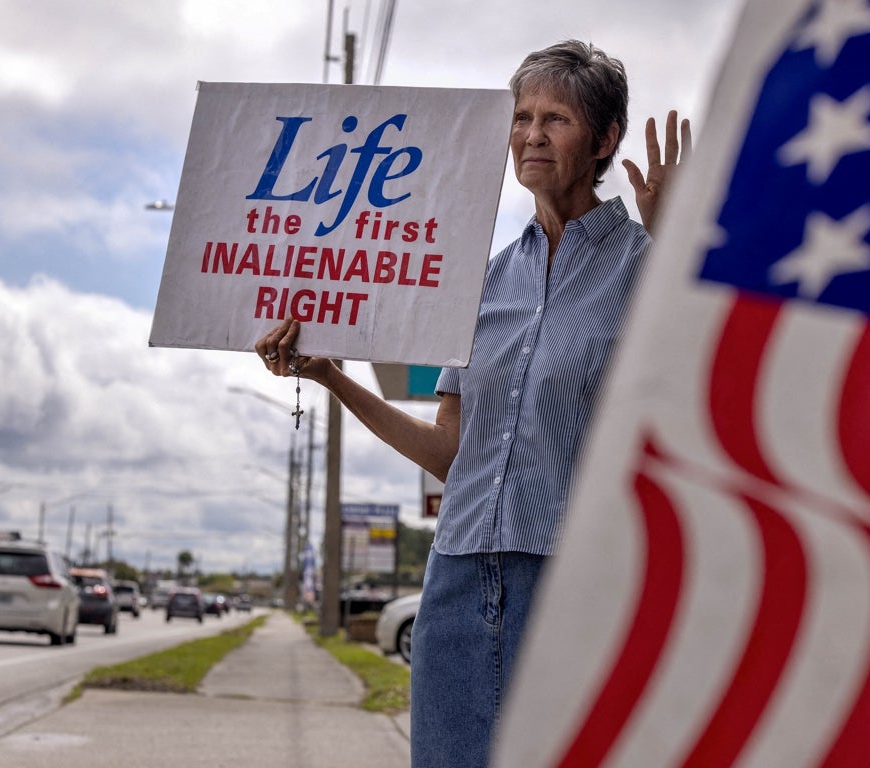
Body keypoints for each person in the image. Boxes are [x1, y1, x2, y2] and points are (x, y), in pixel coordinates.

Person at [255, 40, 690, 768]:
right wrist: (331, 377)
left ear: (605, 140)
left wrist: (681, 246)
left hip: (571, 583)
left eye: (557, 118)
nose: (532, 134)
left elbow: (707, 387)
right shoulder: (481, 282)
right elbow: (452, 453)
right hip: (457, 579)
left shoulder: (649, 267)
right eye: (522, 117)